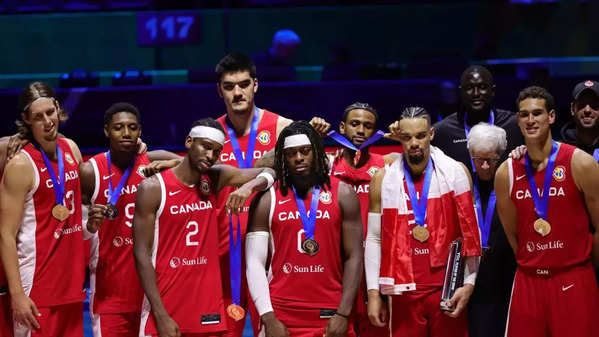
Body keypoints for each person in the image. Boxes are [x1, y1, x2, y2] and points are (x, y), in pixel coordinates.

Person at [214, 52, 328, 337]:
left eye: (243, 84)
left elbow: (306, 164)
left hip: (270, 250)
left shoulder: (280, 127)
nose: (237, 92)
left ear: (256, 84)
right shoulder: (212, 134)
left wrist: (314, 133)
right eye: (229, 86)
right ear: (220, 90)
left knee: (273, 330)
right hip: (223, 254)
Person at [133, 118, 276, 337]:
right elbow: (141, 255)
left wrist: (248, 187)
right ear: (189, 141)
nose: (210, 156)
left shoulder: (216, 178)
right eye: (206, 147)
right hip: (166, 307)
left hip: (208, 310)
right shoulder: (152, 188)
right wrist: (160, 314)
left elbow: (269, 172)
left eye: (216, 152)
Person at [365, 107, 481, 337]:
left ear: (431, 135)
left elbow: (471, 234)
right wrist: (373, 294)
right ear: (401, 138)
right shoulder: (383, 179)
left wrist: (469, 284)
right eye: (407, 137)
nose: (413, 143)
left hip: (447, 290)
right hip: (403, 293)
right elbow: (374, 238)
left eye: (420, 136)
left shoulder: (457, 173)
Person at [494, 86, 599, 337]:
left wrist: (582, 268)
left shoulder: (581, 163)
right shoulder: (505, 173)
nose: (531, 120)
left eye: (537, 113)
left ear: (551, 116)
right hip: (528, 281)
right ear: (517, 119)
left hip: (574, 278)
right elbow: (512, 234)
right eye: (524, 114)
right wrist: (535, 261)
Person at [246, 121, 363, 337]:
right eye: (291, 153)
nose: (298, 157)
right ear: (283, 158)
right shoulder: (266, 200)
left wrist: (344, 314)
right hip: (281, 315)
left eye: (305, 151)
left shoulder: (343, 194)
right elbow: (254, 263)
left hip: (331, 313)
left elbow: (354, 256)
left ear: (317, 152)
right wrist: (268, 317)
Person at [79, 102, 182, 337]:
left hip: (153, 293)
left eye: (132, 127)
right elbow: (81, 230)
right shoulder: (90, 171)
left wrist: (168, 163)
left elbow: (193, 164)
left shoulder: (153, 163)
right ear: (107, 130)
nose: (126, 133)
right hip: (110, 294)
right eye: (118, 127)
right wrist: (91, 226)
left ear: (140, 131)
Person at [0, 82, 86, 337]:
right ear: (26, 120)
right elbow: (5, 234)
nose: (48, 121)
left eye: (50, 112)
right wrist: (16, 294)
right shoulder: (20, 165)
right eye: (38, 117)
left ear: (58, 108)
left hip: (71, 285)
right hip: (36, 287)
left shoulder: (71, 149)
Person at [327, 102, 399, 336]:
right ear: (341, 127)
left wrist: (403, 138)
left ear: (375, 132)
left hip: (374, 266)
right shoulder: (326, 163)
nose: (360, 130)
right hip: (338, 265)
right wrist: (309, 132)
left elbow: (424, 155)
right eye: (354, 124)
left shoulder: (387, 164)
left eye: (368, 126)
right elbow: (276, 160)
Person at [465, 123, 516, 337]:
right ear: (470, 156)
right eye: (479, 160)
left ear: (501, 155)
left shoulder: (513, 182)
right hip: (475, 279)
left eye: (492, 160)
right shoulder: (463, 184)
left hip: (508, 274)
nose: (485, 167)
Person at [431, 65, 523, 171]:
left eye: (482, 87)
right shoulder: (442, 132)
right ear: (461, 92)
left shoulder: (514, 125)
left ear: (493, 91)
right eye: (469, 88)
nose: (476, 93)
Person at [559, 80, 599, 158]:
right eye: (582, 105)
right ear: (572, 109)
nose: (587, 110)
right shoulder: (559, 150)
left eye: (594, 105)